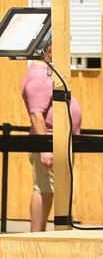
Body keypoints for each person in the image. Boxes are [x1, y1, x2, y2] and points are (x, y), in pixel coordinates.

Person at [21, 40, 82, 232]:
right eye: (64, 48)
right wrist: (45, 149)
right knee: (44, 190)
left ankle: (48, 234)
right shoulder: (39, 78)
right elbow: (36, 114)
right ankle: (36, 237)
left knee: (50, 190)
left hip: (57, 142)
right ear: (50, 50)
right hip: (49, 142)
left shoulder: (45, 74)